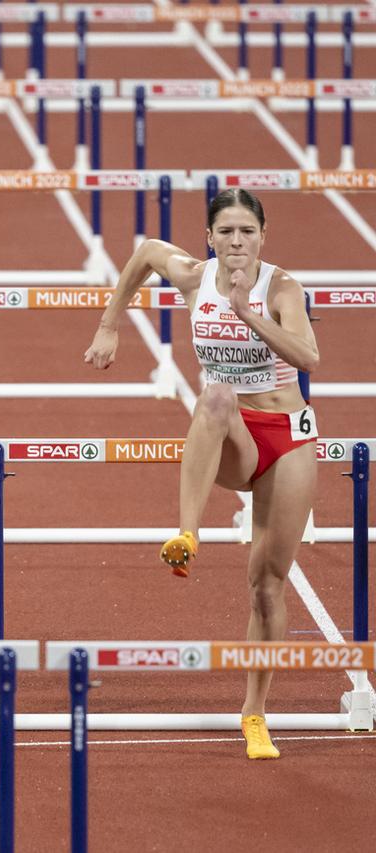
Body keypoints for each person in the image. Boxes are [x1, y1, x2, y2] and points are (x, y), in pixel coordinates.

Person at [84, 188, 319, 759]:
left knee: (266, 587)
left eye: (247, 231)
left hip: (288, 439)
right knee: (215, 395)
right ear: (209, 238)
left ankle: (255, 713)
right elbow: (143, 252)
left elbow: (308, 357)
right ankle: (187, 533)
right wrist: (110, 323)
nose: (237, 242)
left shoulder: (282, 288)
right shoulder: (193, 275)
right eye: (226, 232)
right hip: (231, 435)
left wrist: (244, 311)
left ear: (264, 235)